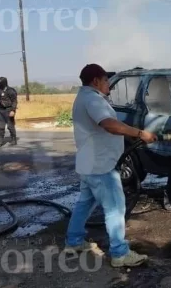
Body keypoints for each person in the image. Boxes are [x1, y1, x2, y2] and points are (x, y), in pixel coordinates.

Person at [63, 63, 158, 268]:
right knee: (115, 208)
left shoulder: (86, 97)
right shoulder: (92, 100)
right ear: (96, 81)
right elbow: (109, 125)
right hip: (100, 166)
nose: (109, 84)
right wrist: (140, 133)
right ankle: (119, 253)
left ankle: (74, 241)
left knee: (85, 204)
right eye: (106, 80)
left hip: (89, 164)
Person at [0, 77, 18, 147]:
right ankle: (0, 141)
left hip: (9, 110)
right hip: (1, 111)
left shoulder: (10, 90)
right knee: (1, 127)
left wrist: (13, 110)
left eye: (0, 82)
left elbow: (14, 101)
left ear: (4, 82)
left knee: (10, 126)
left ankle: (14, 139)